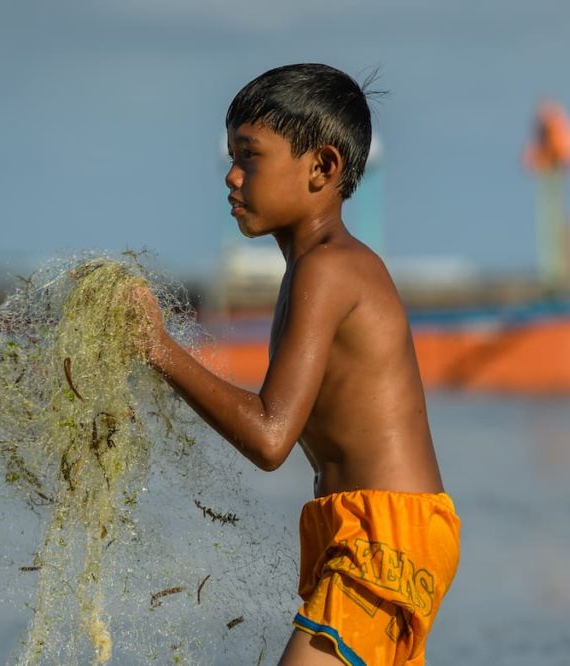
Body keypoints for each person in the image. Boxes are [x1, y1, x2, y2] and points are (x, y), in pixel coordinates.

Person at [134, 64, 460, 665]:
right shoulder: (311, 268)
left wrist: (157, 347)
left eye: (249, 156)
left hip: (386, 536)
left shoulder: (329, 269)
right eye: (231, 156)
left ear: (323, 167)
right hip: (367, 530)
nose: (231, 177)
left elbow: (269, 435)